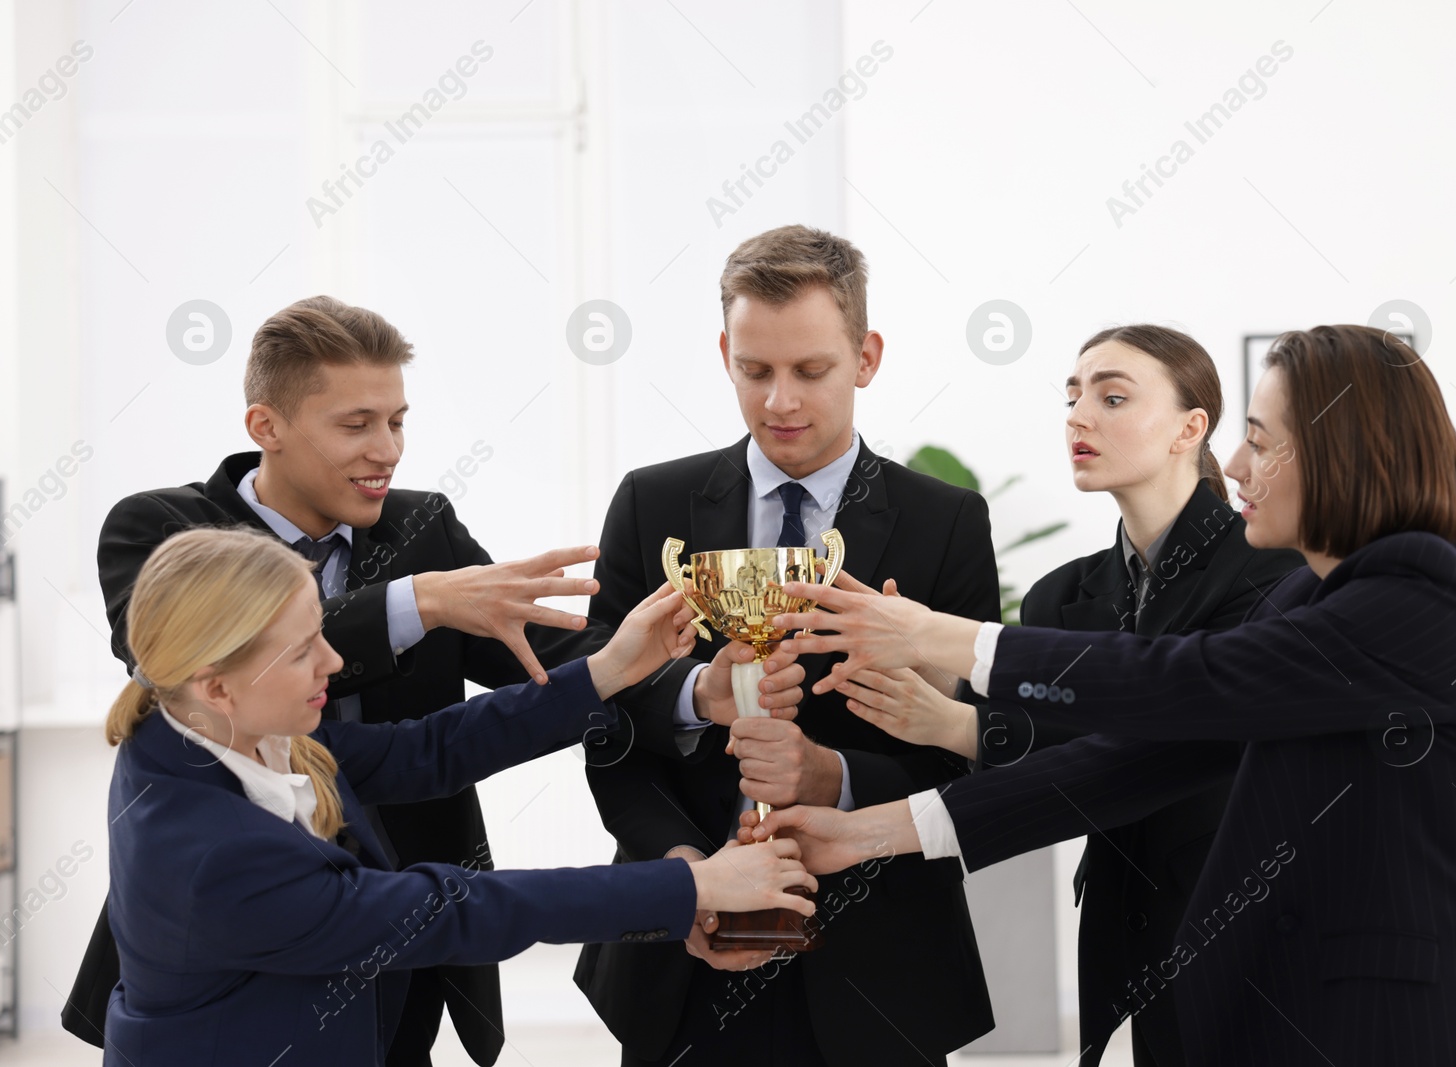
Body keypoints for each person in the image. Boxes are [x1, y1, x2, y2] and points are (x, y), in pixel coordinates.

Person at [747, 325, 1456, 1065]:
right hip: (1298, 1013)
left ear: (1339, 452)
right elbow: (1128, 765)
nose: (1236, 468)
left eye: (1260, 442)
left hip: (1420, 1028)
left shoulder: (1418, 590)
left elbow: (1184, 680)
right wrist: (862, 835)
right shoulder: (1307, 602)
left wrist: (935, 635)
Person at [66, 295, 809, 1065]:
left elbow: (436, 743)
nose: (387, 448)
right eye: (356, 424)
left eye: (397, 420)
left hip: (393, 976)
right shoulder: (162, 536)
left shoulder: (243, 741)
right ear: (267, 426)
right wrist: (420, 600)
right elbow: (462, 904)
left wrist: (656, 677)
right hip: (270, 989)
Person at [100, 526, 814, 1064]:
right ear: (214, 681)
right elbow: (454, 910)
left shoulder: (206, 727)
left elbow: (427, 749)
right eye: (301, 652)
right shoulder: (215, 856)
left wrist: (611, 667)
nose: (335, 661)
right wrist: (692, 884)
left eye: (320, 632)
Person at [574, 225, 999, 1066]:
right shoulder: (649, 504)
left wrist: (830, 777)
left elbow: (971, 746)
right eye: (756, 371)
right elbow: (601, 723)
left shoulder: (945, 522)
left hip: (883, 965)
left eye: (810, 371)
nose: (780, 402)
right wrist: (682, 875)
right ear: (725, 352)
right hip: (680, 962)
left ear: (866, 356)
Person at [837, 324, 1302, 1066]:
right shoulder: (1062, 594)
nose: (1079, 416)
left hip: (1245, 910)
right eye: (1073, 396)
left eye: (1112, 397)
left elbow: (1166, 724)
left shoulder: (1275, 571)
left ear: (1192, 427)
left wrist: (961, 719)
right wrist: (932, 682)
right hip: (1125, 919)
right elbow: (1049, 758)